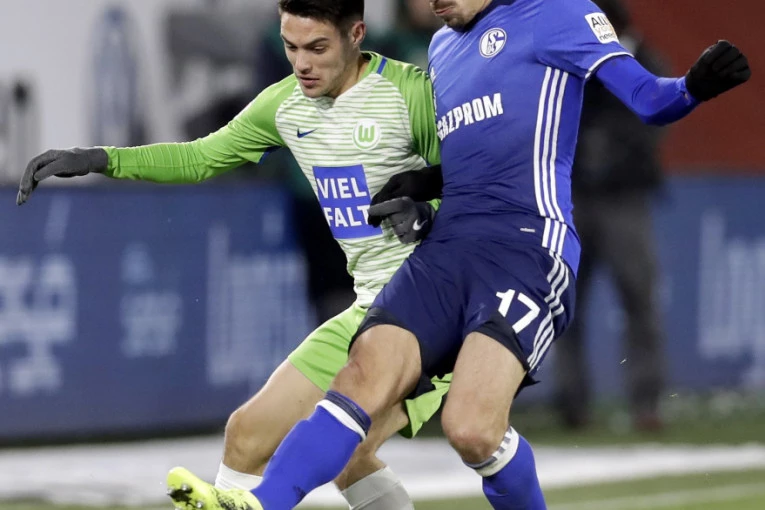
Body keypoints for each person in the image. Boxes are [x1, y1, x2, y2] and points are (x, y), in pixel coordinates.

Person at [161, 0, 750, 509]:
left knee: (470, 429)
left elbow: (648, 100)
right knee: (361, 375)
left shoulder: (560, 13)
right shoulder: (443, 46)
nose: (431, 3)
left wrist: (693, 87)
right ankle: (262, 503)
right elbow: (474, 151)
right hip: (447, 248)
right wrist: (425, 185)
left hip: (526, 248)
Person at [16, 1, 450, 509]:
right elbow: (199, 157)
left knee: (346, 446)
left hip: (435, 307)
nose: (302, 64)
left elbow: (487, 183)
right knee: (247, 434)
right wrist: (100, 159)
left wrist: (430, 210)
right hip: (369, 308)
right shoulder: (284, 105)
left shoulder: (409, 94)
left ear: (357, 35)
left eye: (317, 48)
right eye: (291, 47)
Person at [555, 0, 670, 432]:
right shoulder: (576, 63)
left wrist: (606, 150)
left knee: (640, 301)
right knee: (565, 303)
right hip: (576, 198)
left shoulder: (646, 63)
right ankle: (572, 402)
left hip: (625, 198)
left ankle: (647, 402)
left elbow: (654, 121)